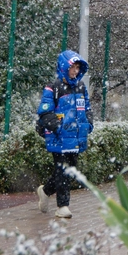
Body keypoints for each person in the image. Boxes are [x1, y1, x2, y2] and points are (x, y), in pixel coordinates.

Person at [35, 50, 94, 218]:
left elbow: (87, 108)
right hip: (59, 137)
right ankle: (62, 206)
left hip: (75, 137)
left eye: (77, 68)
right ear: (63, 67)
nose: (75, 71)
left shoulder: (81, 86)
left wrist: (88, 123)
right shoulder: (52, 87)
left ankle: (45, 191)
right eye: (72, 67)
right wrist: (59, 127)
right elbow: (45, 112)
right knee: (63, 170)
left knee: (71, 170)